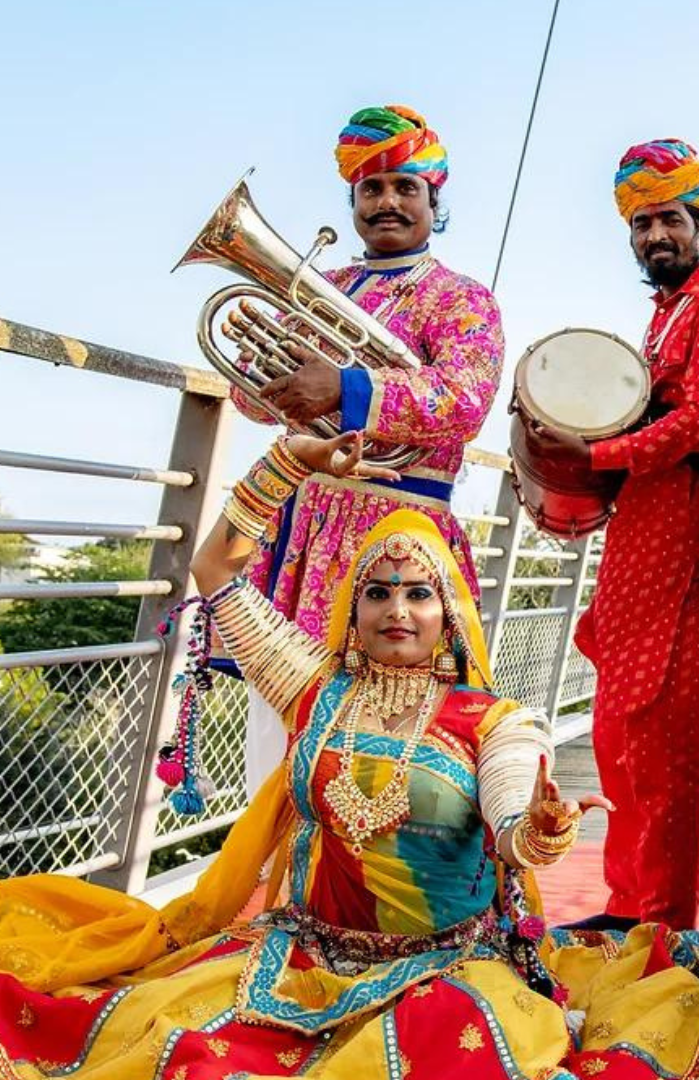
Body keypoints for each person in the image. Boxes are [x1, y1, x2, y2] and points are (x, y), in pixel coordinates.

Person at [0, 433, 699, 1079]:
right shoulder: (312, 687)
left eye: (419, 593)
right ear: (354, 606)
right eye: (378, 591)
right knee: (161, 1039)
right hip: (297, 953)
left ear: (450, 614)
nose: (397, 609)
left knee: (457, 1053)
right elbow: (216, 568)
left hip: (442, 967)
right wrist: (288, 462)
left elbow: (512, 818)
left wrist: (540, 828)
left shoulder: (495, 720)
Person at [228, 104, 504, 798]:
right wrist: (266, 370)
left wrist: (345, 386)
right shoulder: (324, 288)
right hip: (304, 527)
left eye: (406, 188)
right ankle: (274, 856)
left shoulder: (464, 299)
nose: (387, 202)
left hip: (399, 532)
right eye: (371, 188)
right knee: (278, 715)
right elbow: (250, 399)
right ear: (352, 201)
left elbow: (464, 401)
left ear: (433, 203)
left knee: (388, 724)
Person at [516, 139, 699, 929]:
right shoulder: (665, 313)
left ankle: (659, 924)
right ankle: (626, 907)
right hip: (638, 533)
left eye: (670, 219)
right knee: (622, 735)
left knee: (668, 747)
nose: (655, 236)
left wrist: (594, 455)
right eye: (642, 224)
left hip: (682, 531)